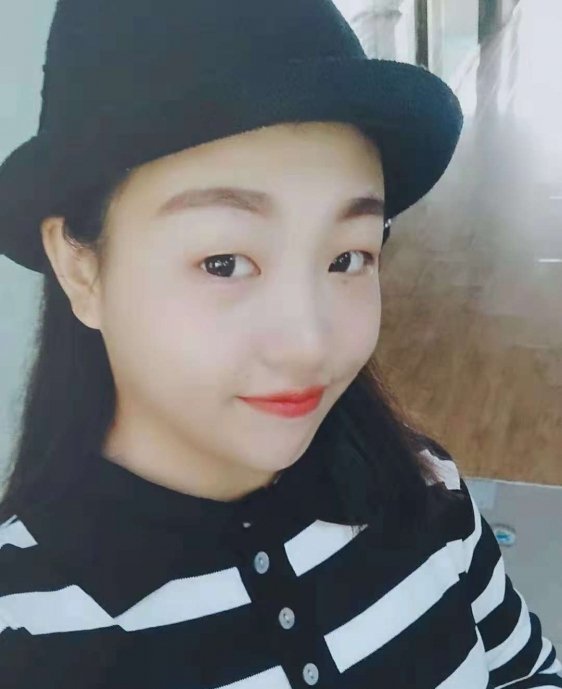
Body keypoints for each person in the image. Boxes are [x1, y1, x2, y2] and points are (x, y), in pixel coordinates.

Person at [0, 1, 560, 688]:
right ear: (79, 267)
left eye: (348, 257)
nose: (308, 343)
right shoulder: (24, 631)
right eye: (224, 262)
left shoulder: (422, 488)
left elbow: (527, 672)